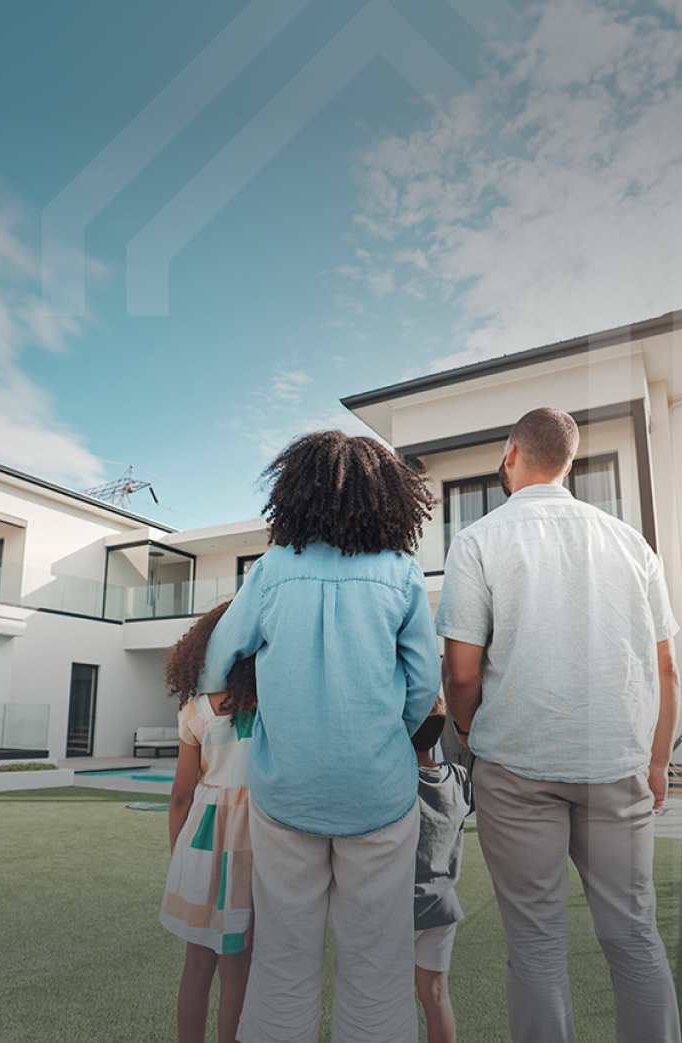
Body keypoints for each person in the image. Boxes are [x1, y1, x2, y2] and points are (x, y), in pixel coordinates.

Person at [436, 406, 682, 1043]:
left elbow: (460, 675)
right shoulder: (631, 544)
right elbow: (666, 671)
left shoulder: (478, 541)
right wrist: (657, 763)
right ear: (568, 462)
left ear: (512, 454)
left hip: (515, 767)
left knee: (537, 949)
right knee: (633, 939)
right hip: (616, 765)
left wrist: (466, 735)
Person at [196, 429, 441, 1043]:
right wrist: (388, 738)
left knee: (282, 962)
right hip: (380, 796)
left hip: (286, 795)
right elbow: (422, 685)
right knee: (378, 967)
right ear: (387, 498)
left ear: (294, 493)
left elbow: (217, 661)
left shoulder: (273, 569)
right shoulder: (403, 573)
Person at [160, 601, 256, 1043]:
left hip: (199, 839)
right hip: (254, 839)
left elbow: (181, 795)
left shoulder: (195, 711)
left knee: (196, 966)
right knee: (239, 968)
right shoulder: (271, 708)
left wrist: (179, 855)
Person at [411, 696, 474, 1043]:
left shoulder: (399, 781)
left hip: (403, 908)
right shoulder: (459, 777)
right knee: (437, 996)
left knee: (388, 997)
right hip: (443, 907)